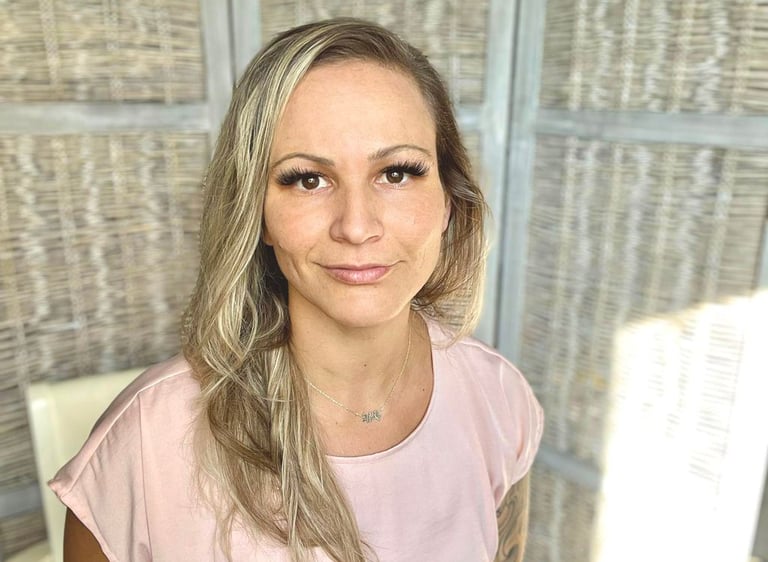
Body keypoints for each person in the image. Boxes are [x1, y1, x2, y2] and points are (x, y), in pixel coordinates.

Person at [50, 17, 543, 562]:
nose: (356, 226)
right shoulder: (143, 446)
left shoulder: (499, 399)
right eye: (307, 179)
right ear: (256, 212)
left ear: (449, 199)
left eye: (397, 173)